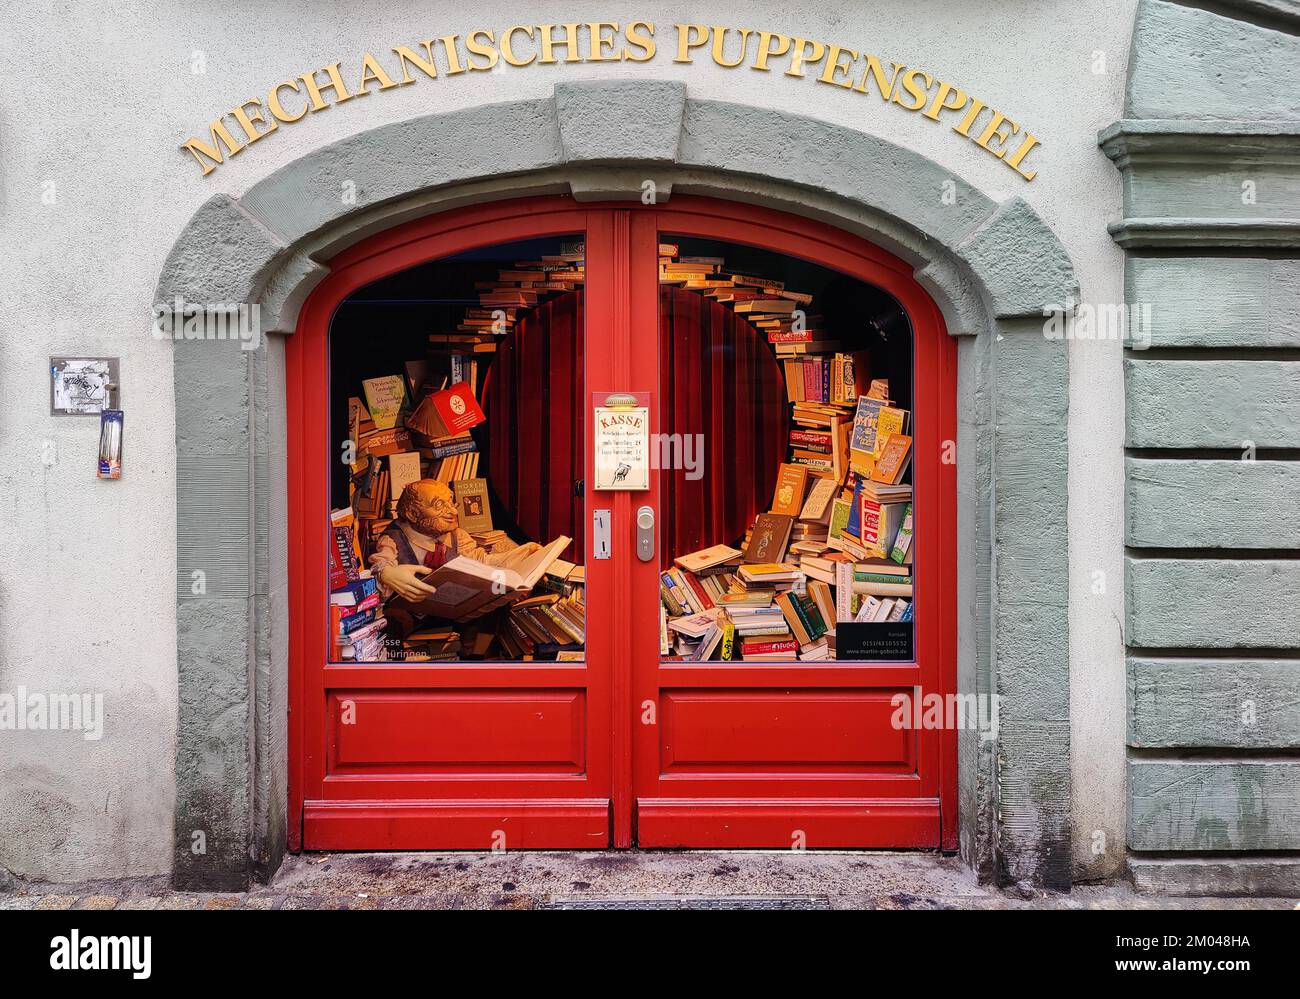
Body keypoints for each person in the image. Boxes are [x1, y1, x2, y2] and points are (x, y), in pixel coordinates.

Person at [369, 479, 539, 633]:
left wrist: (524, 553)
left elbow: (483, 562)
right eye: (438, 505)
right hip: (414, 614)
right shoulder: (394, 538)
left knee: (496, 603)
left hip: (455, 610)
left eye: (450, 502)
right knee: (393, 623)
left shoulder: (457, 535)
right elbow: (383, 561)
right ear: (413, 514)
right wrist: (386, 573)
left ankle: (476, 656)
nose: (452, 511)